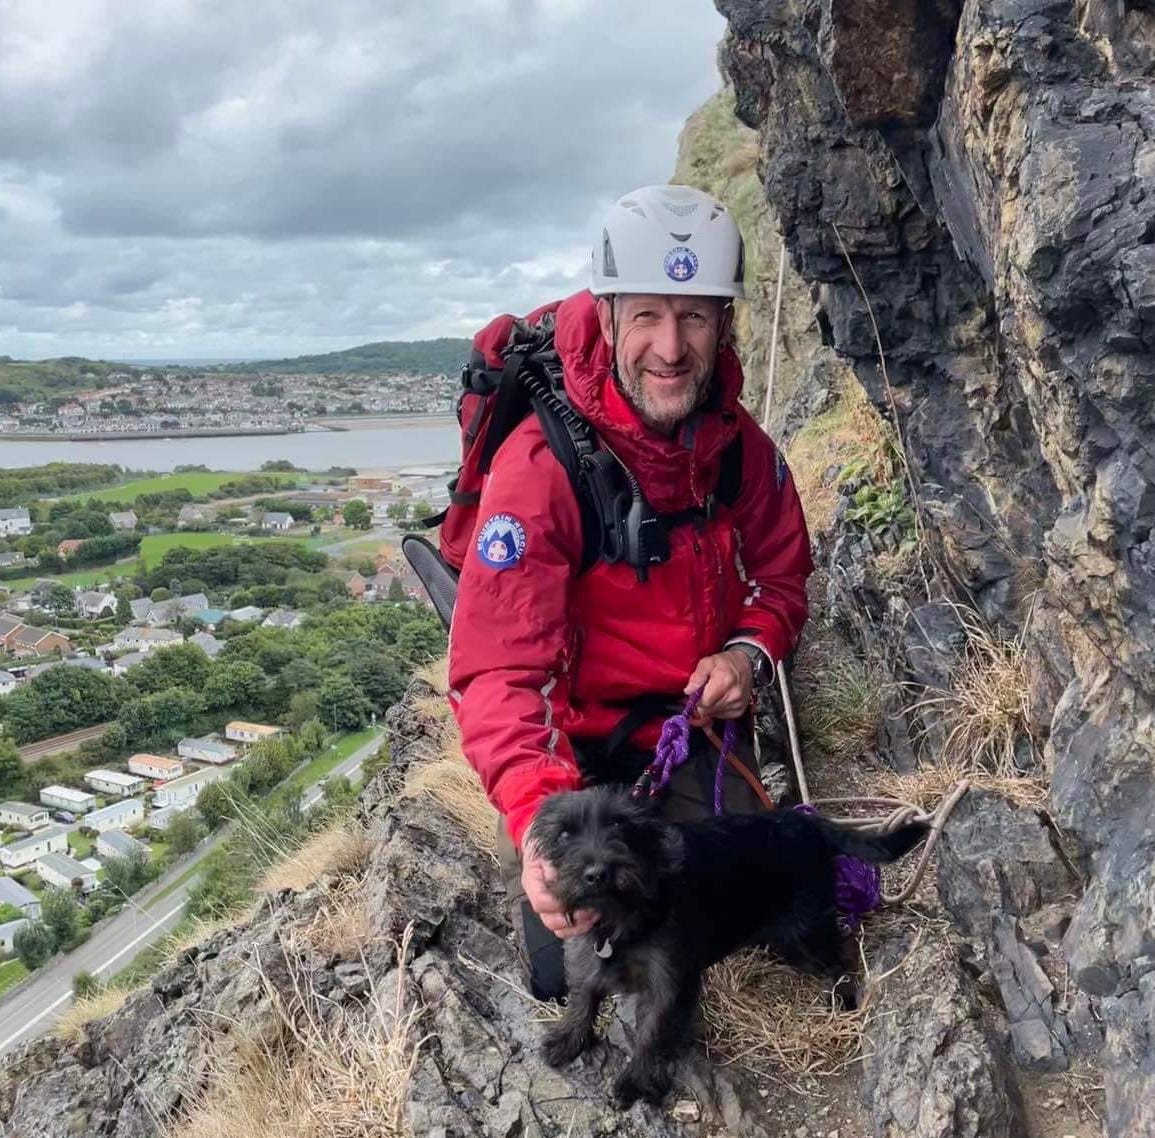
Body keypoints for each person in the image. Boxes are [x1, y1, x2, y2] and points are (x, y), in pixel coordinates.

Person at [448, 184, 814, 999]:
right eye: (646, 315)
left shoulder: (736, 450)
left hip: (689, 727)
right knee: (576, 967)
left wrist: (746, 653)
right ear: (608, 316)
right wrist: (541, 830)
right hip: (577, 747)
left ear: (723, 325)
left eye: (694, 317)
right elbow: (498, 675)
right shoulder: (541, 473)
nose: (670, 347)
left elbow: (784, 576)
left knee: (739, 907)